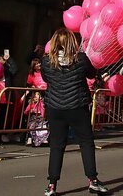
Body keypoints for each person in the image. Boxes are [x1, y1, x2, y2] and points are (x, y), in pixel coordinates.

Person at [40, 28, 107, 195]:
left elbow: (46, 79)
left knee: (56, 145)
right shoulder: (81, 59)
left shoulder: (46, 61)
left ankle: (52, 184)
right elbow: (92, 74)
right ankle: (92, 180)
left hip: (55, 107)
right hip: (77, 106)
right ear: (72, 43)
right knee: (86, 142)